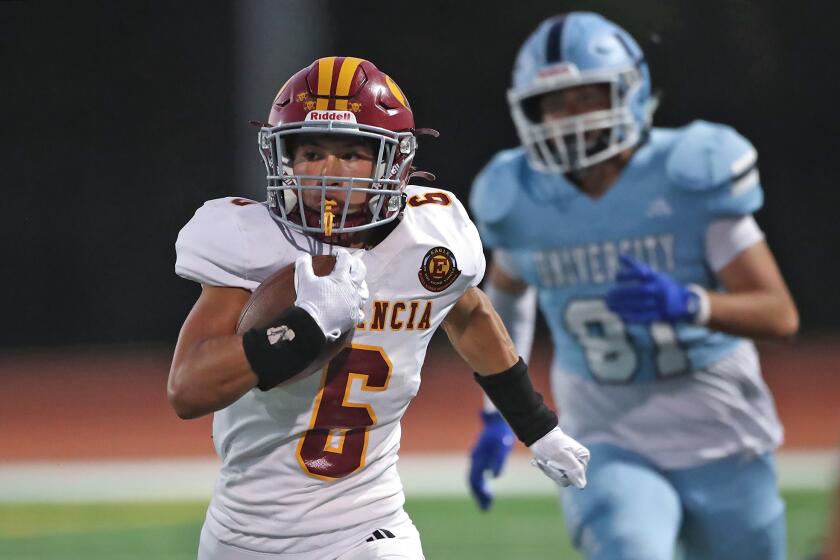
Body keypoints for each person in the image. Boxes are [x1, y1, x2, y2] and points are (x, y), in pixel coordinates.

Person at [169, 56, 589, 560]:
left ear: (396, 161)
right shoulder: (249, 241)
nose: (328, 171)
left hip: (369, 524)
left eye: (352, 153)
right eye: (310, 152)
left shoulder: (430, 237)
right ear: (281, 157)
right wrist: (305, 325)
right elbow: (187, 389)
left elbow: (470, 313)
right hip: (244, 537)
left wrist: (537, 426)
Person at [467, 12, 799, 560]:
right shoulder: (519, 195)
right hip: (606, 436)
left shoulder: (691, 171)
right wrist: (499, 415)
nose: (567, 117)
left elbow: (779, 315)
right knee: (630, 547)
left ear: (630, 90)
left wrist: (689, 304)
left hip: (722, 431)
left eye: (585, 97)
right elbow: (503, 302)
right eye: (553, 103)